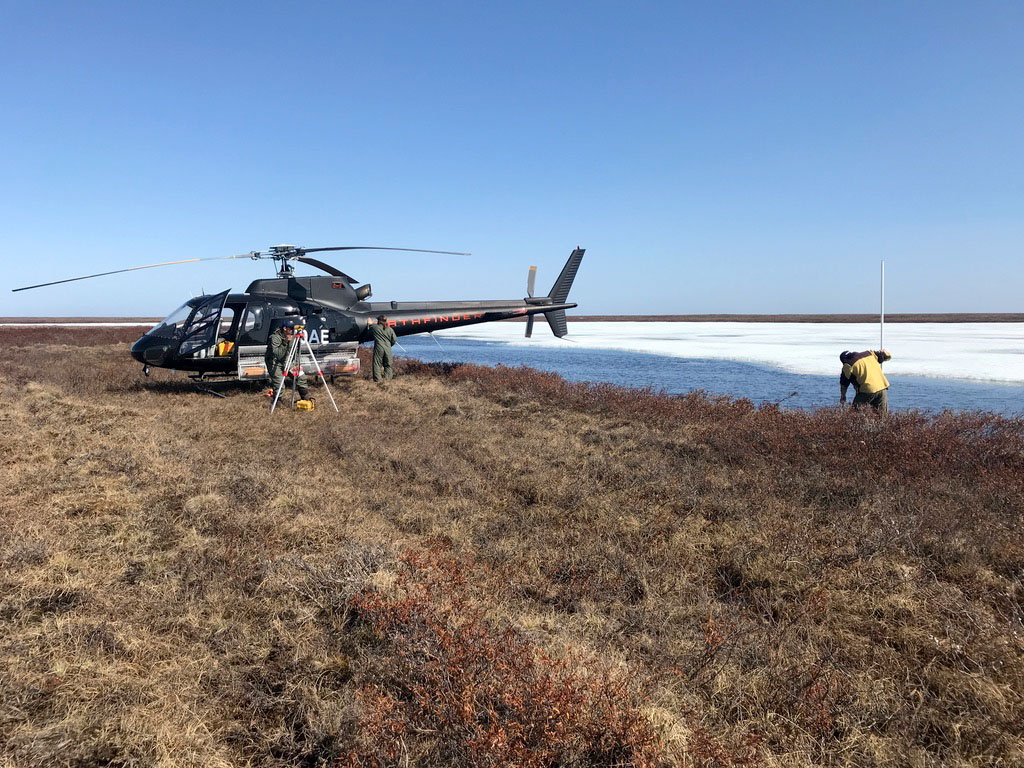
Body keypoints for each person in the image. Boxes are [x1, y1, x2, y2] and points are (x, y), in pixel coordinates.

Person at [265, 319, 311, 400]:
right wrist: (285, 342)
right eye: (291, 329)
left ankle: (306, 398)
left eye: (293, 328)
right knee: (279, 385)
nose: (293, 331)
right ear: (285, 328)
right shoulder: (275, 338)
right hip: (274, 363)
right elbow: (278, 355)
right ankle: (278, 402)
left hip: (287, 361)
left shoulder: (293, 337)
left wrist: (297, 364)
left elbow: (295, 352)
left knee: (301, 377)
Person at [840, 349, 892, 413]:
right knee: (882, 416)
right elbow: (887, 357)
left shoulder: (848, 365)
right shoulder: (869, 354)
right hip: (882, 388)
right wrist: (885, 352)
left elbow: (844, 384)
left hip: (867, 390)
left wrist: (843, 396)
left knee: (855, 414)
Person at [371, 314, 397, 382]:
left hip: (379, 348)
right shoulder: (390, 329)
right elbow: (394, 340)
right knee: (388, 364)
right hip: (388, 348)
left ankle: (378, 380)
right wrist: (389, 345)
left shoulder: (375, 328)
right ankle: (387, 379)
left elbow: (369, 327)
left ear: (379, 321)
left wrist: (369, 323)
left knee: (377, 364)